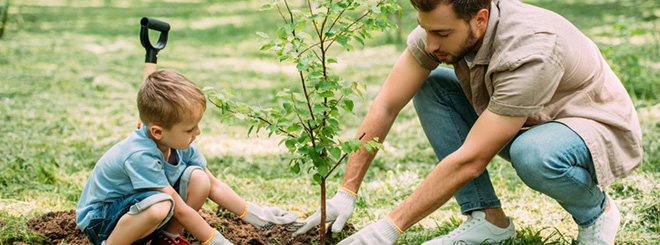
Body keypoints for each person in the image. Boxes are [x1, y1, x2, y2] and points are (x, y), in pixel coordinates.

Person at [292, 0, 643, 244]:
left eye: (442, 34)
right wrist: (346, 191)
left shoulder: (531, 49)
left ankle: (597, 213)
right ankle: (487, 221)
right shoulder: (441, 27)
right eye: (425, 30)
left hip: (589, 126)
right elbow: (386, 104)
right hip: (526, 117)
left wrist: (389, 228)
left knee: (532, 153)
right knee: (431, 87)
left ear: (480, 18)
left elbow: (473, 159)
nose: (430, 44)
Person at [76, 69, 298, 245]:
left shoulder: (179, 143)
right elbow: (179, 208)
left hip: (138, 212)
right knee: (163, 203)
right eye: (190, 129)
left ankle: (166, 240)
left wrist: (255, 215)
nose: (197, 133)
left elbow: (213, 185)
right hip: (102, 221)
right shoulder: (139, 155)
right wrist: (213, 240)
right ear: (157, 132)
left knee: (199, 179)